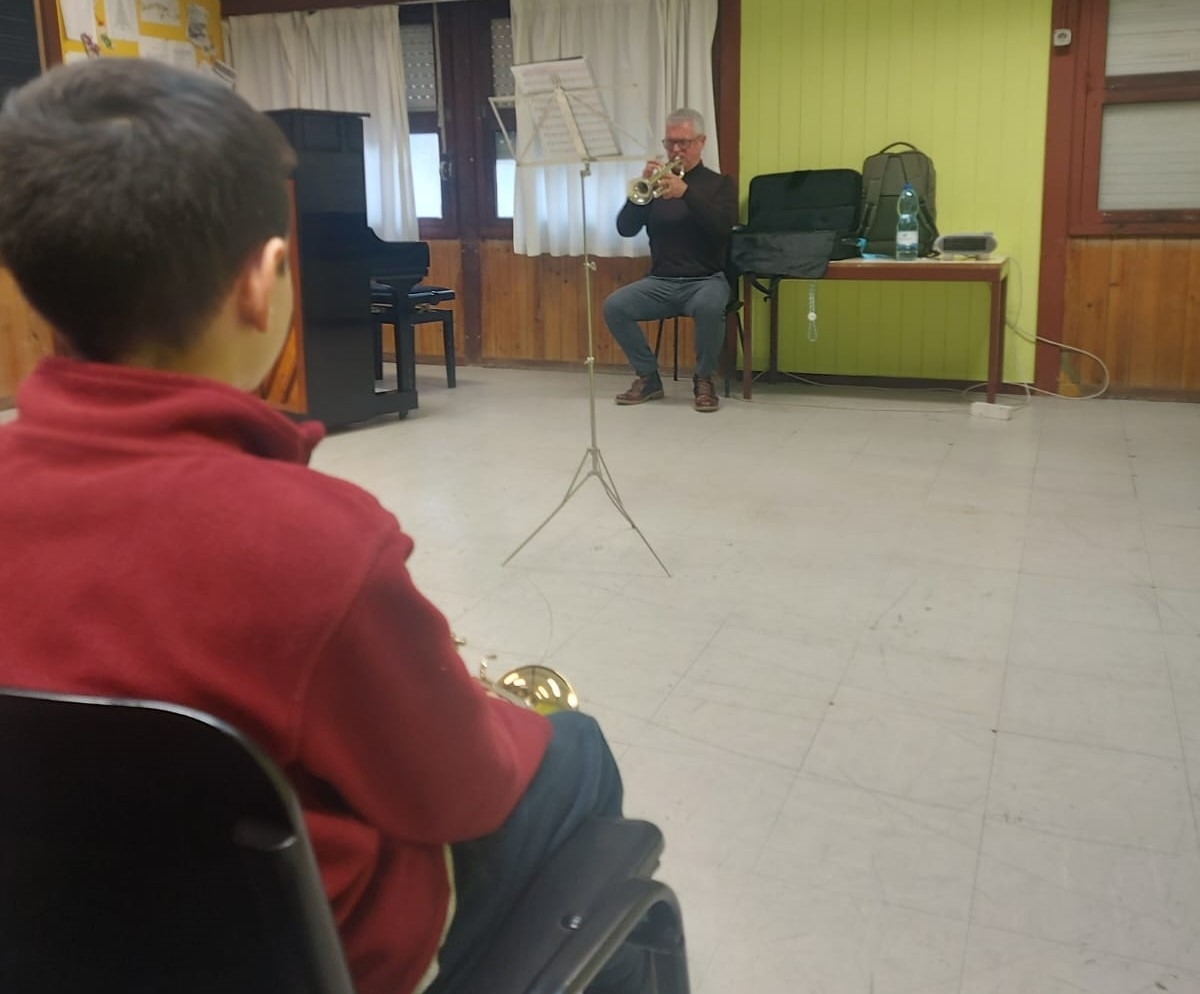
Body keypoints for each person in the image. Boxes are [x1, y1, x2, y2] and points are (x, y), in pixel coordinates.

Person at [0, 59, 632, 994]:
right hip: (316, 961)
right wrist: (491, 710)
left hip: (57, 943)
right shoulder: (317, 541)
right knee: (577, 751)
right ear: (264, 284)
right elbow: (459, 794)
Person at [603, 108, 738, 413]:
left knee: (709, 307)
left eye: (683, 143)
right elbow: (625, 228)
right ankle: (648, 377)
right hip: (661, 281)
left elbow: (722, 227)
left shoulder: (720, 184)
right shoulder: (657, 185)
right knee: (615, 306)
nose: (676, 150)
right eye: (670, 143)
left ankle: (703, 379)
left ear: (701, 142)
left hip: (706, 279)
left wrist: (686, 193)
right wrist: (643, 190)